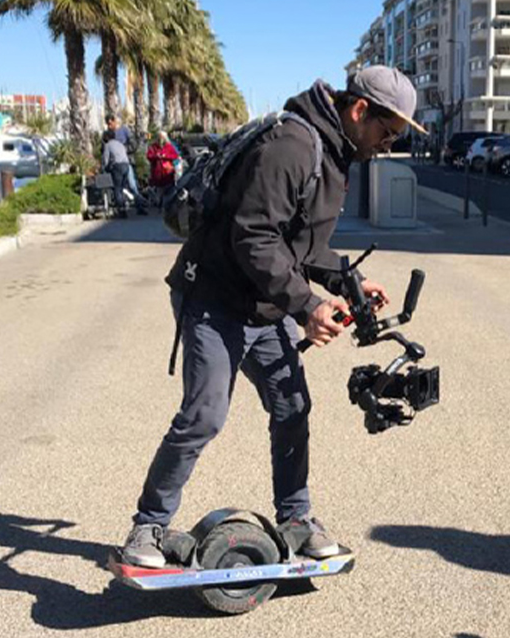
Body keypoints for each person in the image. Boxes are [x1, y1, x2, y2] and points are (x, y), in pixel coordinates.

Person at [121, 66, 428, 567]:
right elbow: (255, 237)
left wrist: (348, 279)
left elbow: (300, 245)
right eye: (387, 132)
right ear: (359, 110)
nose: (387, 144)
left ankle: (296, 518)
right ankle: (148, 527)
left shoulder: (334, 153)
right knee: (203, 415)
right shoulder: (294, 146)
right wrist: (307, 307)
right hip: (215, 298)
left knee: (292, 407)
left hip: (263, 304)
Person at [102, 115, 147, 214]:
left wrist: (122, 149)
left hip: (127, 161)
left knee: (132, 185)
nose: (109, 126)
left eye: (110, 123)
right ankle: (122, 208)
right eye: (108, 124)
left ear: (115, 121)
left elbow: (134, 145)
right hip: (115, 164)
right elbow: (103, 148)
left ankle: (140, 206)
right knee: (119, 187)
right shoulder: (107, 134)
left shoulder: (124, 130)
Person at [146, 130, 181, 207]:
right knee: (159, 190)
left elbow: (175, 156)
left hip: (168, 173)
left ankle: (167, 204)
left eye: (163, 137)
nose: (161, 139)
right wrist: (156, 156)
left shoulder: (169, 146)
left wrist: (166, 156)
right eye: (160, 137)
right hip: (157, 173)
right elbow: (149, 156)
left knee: (169, 190)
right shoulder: (153, 147)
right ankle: (159, 204)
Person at [101, 129, 131, 215]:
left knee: (117, 188)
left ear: (107, 137)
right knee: (122, 187)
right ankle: (125, 203)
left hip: (118, 167)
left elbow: (106, 160)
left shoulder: (108, 145)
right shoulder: (120, 144)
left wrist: (104, 168)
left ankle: (121, 209)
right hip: (126, 165)